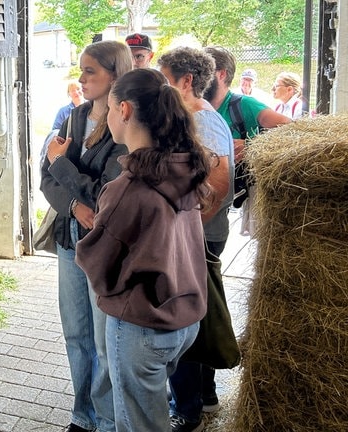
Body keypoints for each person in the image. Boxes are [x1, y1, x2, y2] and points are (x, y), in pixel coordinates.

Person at [75, 67, 212, 432]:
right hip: (185, 317)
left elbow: (96, 263)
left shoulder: (128, 189)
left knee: (140, 426)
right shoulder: (185, 167)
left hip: (142, 327)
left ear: (124, 111)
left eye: (109, 107)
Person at [40, 40, 132, 432]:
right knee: (75, 332)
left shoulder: (126, 125)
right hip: (69, 237)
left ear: (115, 74)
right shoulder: (73, 118)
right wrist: (76, 207)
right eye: (81, 69)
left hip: (105, 246)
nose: (82, 77)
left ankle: (109, 421)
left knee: (104, 338)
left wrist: (62, 164)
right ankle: (83, 415)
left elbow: (103, 192)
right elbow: (47, 180)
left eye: (90, 70)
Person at [158, 47, 234, 432]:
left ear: (186, 81)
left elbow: (218, 182)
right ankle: (203, 396)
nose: (160, 87)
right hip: (200, 233)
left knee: (185, 316)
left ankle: (185, 410)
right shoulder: (196, 117)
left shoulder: (201, 121)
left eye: (165, 78)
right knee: (199, 318)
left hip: (199, 236)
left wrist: (185, 226)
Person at [203, 46, 291, 237]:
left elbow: (292, 130)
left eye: (204, 70)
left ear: (221, 74)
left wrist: (251, 145)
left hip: (229, 197)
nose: (196, 77)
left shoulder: (245, 105)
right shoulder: (194, 106)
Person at [41, 80, 85, 162]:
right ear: (69, 94)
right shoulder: (63, 111)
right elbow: (55, 130)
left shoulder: (91, 108)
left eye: (78, 89)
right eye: (72, 90)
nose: (76, 92)